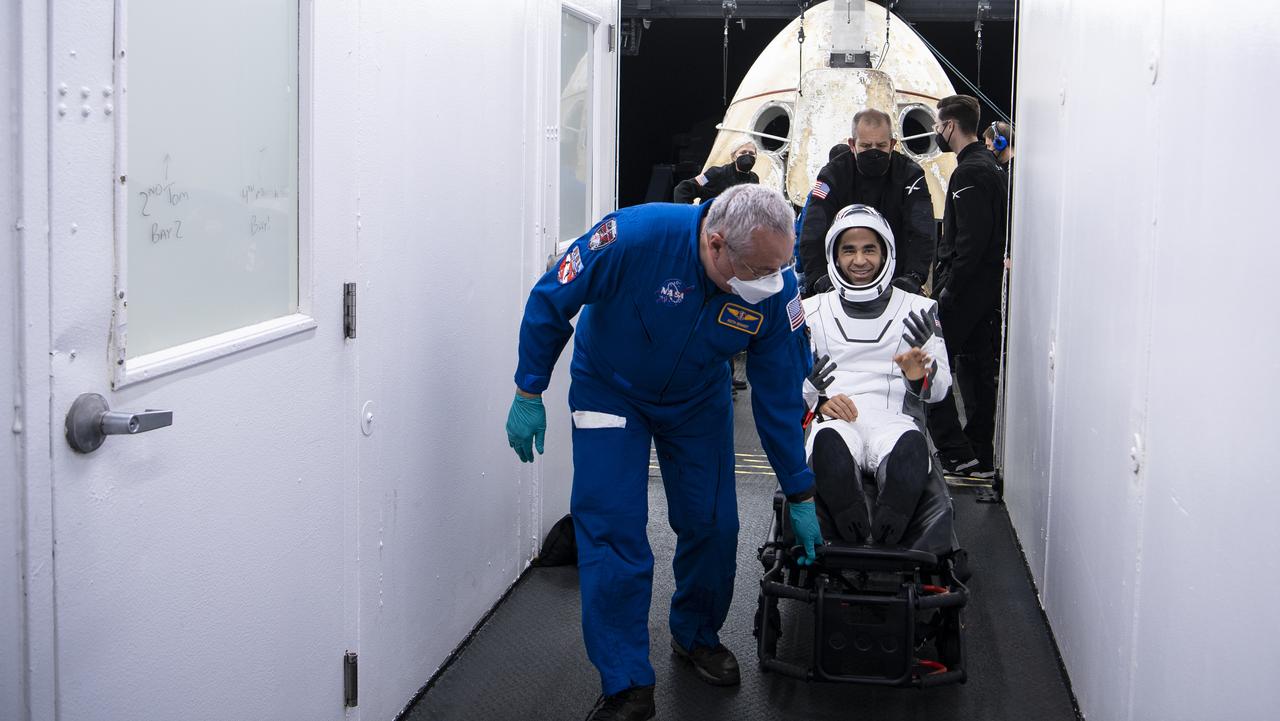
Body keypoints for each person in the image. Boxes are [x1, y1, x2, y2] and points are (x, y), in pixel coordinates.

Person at [504, 184, 822, 721]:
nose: (772, 283)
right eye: (759, 273)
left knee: (715, 525)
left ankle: (696, 634)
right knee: (612, 530)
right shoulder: (634, 236)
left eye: (780, 269)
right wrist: (528, 389)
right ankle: (626, 681)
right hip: (611, 389)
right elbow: (550, 297)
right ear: (716, 244)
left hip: (697, 400)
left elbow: (778, 392)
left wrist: (799, 487)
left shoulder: (777, 287)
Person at [802, 205, 952, 544]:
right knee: (829, 444)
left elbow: (941, 390)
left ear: (886, 253)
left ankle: (892, 515)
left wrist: (920, 374)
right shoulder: (810, 310)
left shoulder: (919, 309)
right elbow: (787, 388)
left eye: (869, 249)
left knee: (909, 448)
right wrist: (817, 397)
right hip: (837, 419)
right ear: (834, 256)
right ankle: (848, 510)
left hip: (895, 421)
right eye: (849, 250)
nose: (859, 260)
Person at [925, 95, 1008, 477]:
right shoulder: (990, 166)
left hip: (965, 291)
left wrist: (948, 289)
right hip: (985, 290)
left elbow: (968, 242)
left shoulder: (969, 173)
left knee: (930, 366)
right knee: (975, 372)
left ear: (950, 126)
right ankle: (978, 453)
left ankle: (956, 450)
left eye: (939, 126)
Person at [797, 108, 935, 298]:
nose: (874, 152)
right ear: (852, 144)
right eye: (866, 146)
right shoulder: (832, 175)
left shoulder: (910, 175)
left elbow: (921, 228)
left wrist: (914, 275)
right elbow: (814, 227)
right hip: (840, 283)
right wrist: (818, 277)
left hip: (897, 283)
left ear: (893, 144)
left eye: (881, 145)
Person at [672, 140, 759, 204]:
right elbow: (683, 188)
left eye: (751, 153)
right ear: (734, 157)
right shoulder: (715, 173)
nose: (747, 155)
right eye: (743, 152)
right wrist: (690, 215)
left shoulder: (754, 179)